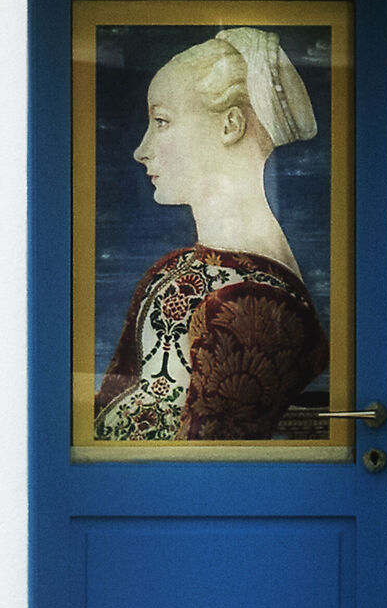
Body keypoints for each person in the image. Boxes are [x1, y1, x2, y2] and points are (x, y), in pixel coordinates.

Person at [95, 28, 330, 441]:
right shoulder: (170, 271)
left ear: (231, 125)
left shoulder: (253, 307)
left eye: (162, 122)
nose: (141, 149)